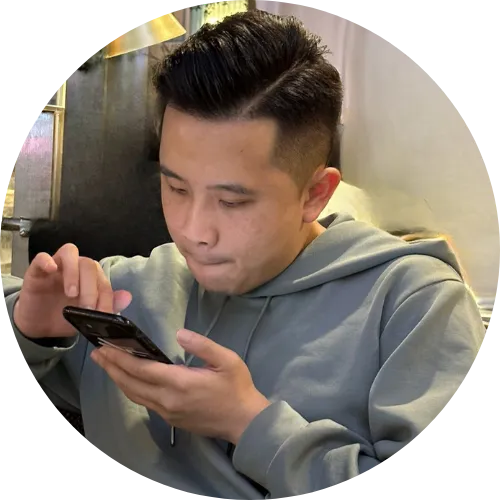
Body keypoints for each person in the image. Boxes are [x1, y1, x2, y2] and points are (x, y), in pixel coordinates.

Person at [2, 10, 485, 497]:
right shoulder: (125, 291)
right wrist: (30, 326)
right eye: (176, 188)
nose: (193, 232)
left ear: (315, 194)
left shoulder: (416, 306)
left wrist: (249, 423)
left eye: (232, 202)